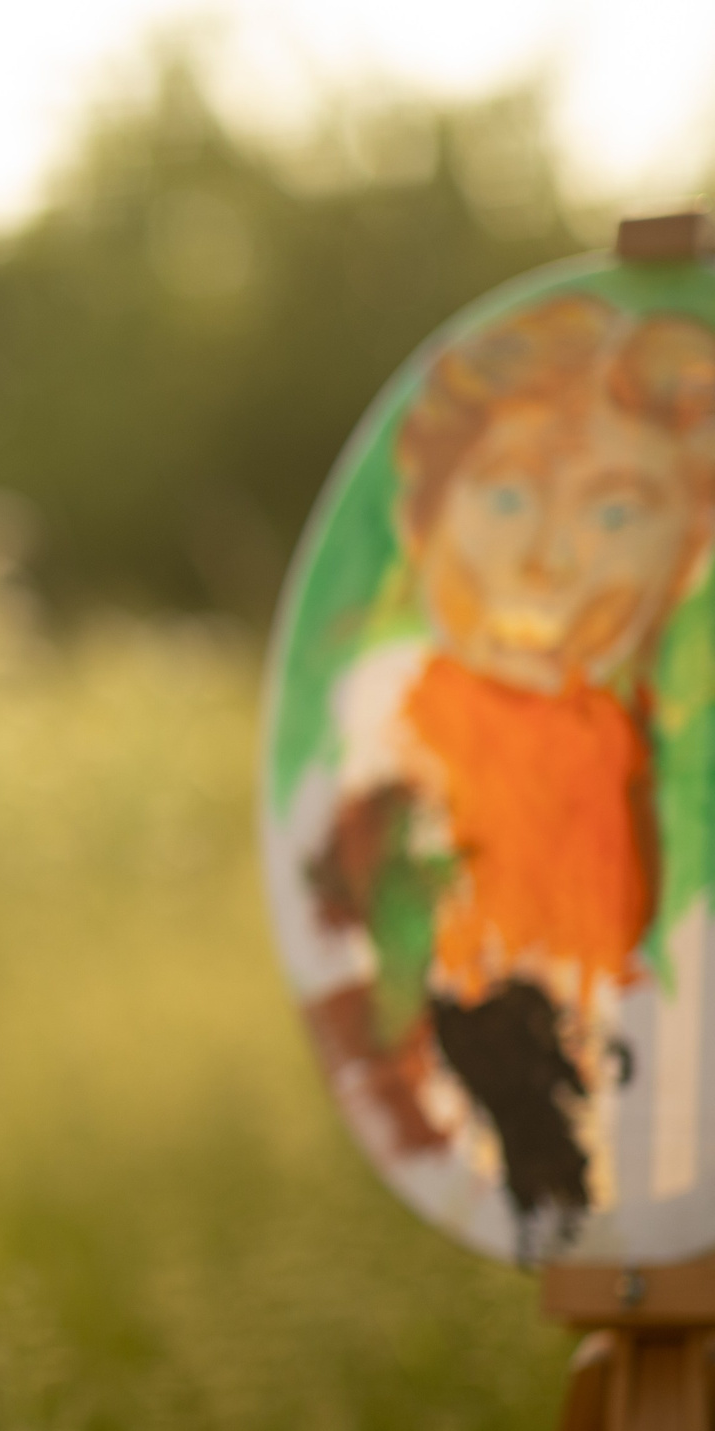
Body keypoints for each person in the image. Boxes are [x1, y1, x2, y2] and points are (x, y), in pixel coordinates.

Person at [298, 292, 715, 1261]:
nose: (547, 560)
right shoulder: (379, 778)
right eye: (508, 495)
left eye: (616, 510)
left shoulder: (662, 791)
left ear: (689, 554)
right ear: (421, 514)